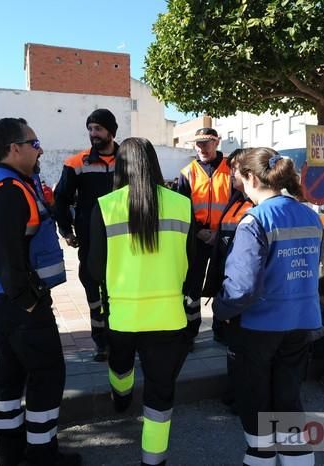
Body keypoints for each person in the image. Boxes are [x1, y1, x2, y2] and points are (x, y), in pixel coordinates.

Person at [0, 117, 80, 466]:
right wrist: (30, 302)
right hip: (18, 300)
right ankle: (41, 455)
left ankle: (12, 453)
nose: (40, 150)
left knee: (10, 373)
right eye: (34, 143)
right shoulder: (8, 190)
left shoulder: (11, 182)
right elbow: (6, 256)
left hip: (6, 298)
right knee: (48, 372)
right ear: (14, 148)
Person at [213, 148, 322, 466]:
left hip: (258, 327)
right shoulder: (309, 215)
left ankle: (260, 456)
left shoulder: (254, 220)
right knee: (288, 396)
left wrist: (220, 310)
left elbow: (241, 288)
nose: (235, 180)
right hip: (301, 322)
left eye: (236, 174)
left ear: (251, 177)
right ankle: (295, 457)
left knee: (255, 398)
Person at [88, 137, 192, 466]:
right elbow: (192, 261)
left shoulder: (106, 206)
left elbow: (93, 268)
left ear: (120, 165)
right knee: (161, 393)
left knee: (121, 367)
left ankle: (121, 397)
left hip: (123, 316)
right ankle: (153, 459)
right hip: (169, 316)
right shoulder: (181, 204)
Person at [54, 108, 118, 362]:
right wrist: (66, 230)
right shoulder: (76, 163)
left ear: (111, 132)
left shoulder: (127, 158)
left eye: (98, 129)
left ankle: (120, 337)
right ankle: (101, 342)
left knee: (117, 291)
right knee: (94, 292)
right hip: (90, 240)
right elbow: (61, 199)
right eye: (90, 128)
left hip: (122, 239)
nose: (93, 134)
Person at [202, 148, 253, 409]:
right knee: (235, 348)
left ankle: (242, 399)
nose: (229, 172)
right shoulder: (235, 199)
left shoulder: (255, 205)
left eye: (234, 168)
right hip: (228, 281)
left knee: (244, 349)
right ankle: (235, 393)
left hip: (241, 289)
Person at [176, 127, 231, 345]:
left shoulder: (232, 169)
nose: (202, 147)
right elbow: (181, 208)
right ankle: (190, 333)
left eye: (207, 142)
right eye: (198, 143)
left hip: (224, 237)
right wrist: (198, 230)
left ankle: (221, 329)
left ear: (217, 142)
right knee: (192, 285)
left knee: (223, 283)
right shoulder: (187, 172)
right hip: (196, 237)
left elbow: (237, 201)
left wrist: (219, 232)